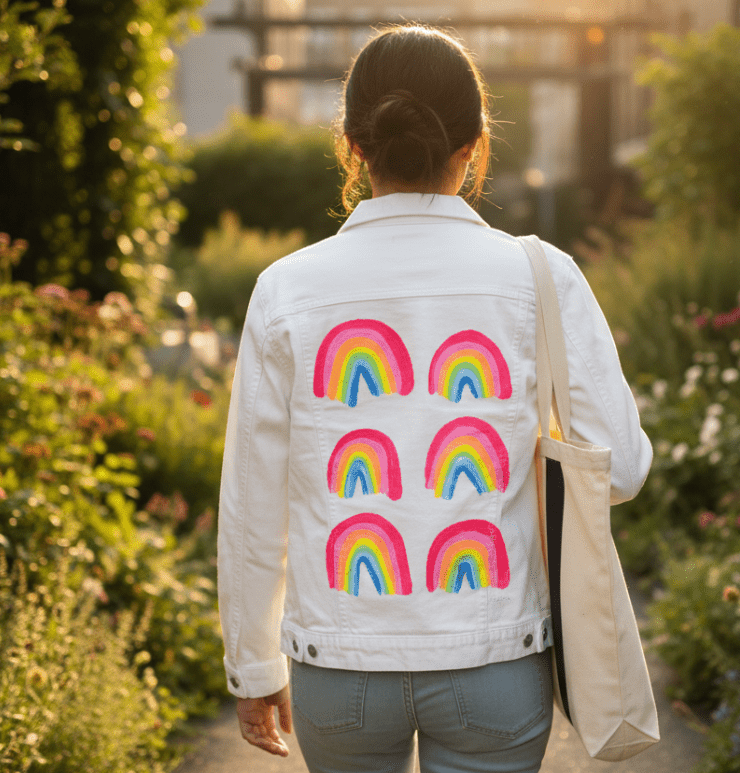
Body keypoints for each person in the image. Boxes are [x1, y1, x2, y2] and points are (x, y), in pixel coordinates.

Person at [217, 24, 652, 773]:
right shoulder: (540, 276)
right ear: (477, 145)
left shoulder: (285, 289)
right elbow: (619, 470)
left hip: (339, 665)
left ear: (352, 146)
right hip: (494, 659)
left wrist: (254, 669)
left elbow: (253, 504)